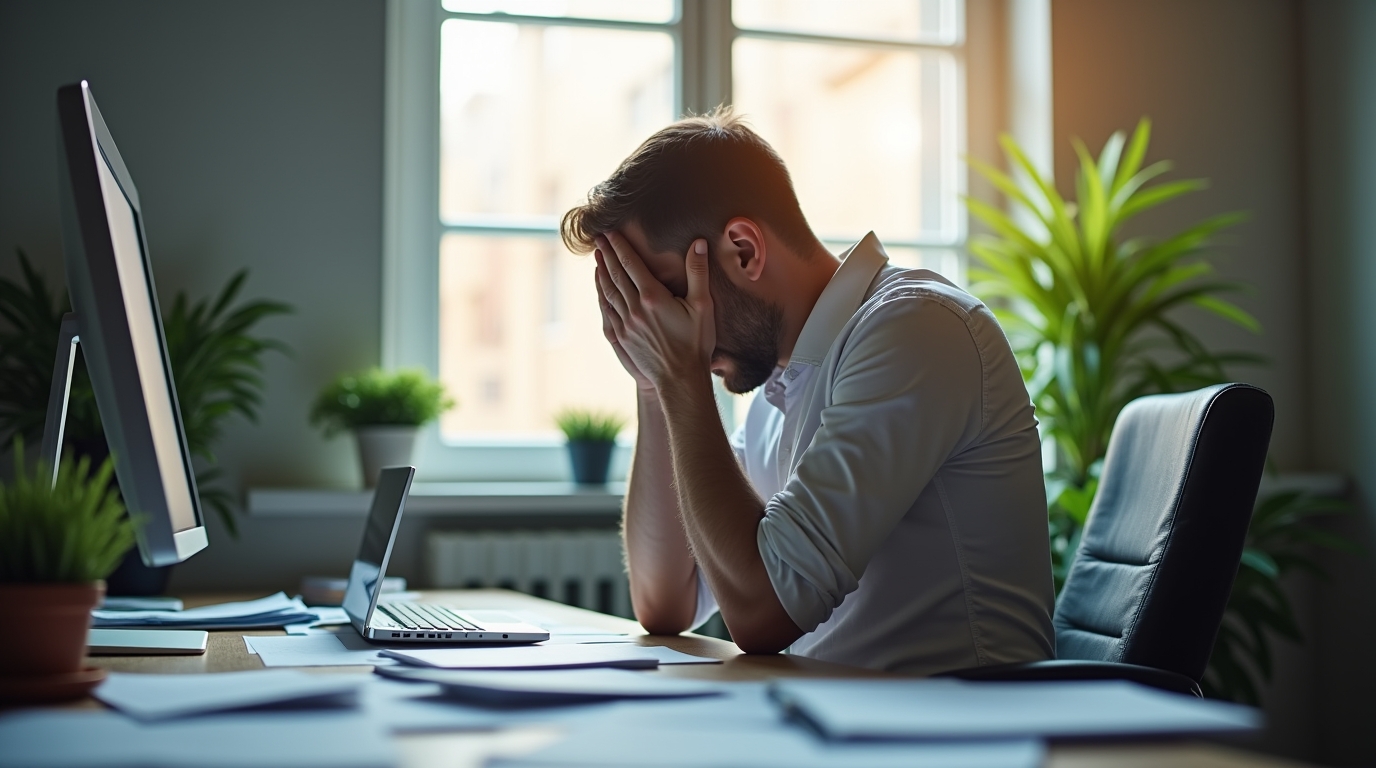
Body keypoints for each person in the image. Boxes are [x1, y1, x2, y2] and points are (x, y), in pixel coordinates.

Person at [560, 108, 1055, 674]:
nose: (663, 325)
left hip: (962, 720)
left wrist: (681, 380)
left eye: (667, 296)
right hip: (839, 714)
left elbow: (763, 613)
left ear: (744, 250)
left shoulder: (915, 329)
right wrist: (654, 385)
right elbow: (665, 602)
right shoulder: (780, 388)